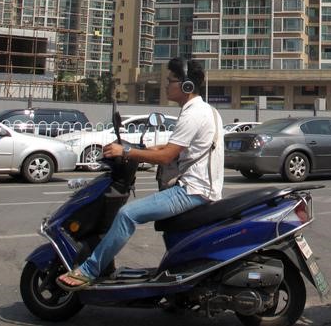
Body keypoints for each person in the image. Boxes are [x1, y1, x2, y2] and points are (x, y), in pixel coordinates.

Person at [57, 57, 224, 290]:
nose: (166, 85)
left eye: (170, 80)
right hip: (202, 187)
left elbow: (167, 157)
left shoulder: (192, 114)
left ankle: (89, 270)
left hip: (192, 191)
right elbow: (178, 147)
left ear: (186, 86)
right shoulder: (207, 110)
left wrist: (125, 151)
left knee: (127, 214)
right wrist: (140, 149)